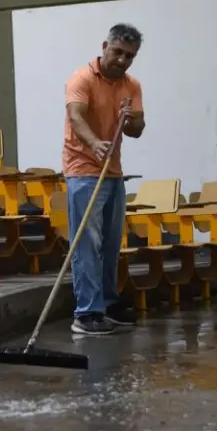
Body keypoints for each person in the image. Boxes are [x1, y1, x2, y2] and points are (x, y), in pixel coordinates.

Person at [62, 23, 146, 336]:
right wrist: (94, 143)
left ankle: (108, 304)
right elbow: (76, 116)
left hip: (113, 171)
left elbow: (136, 130)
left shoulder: (132, 85)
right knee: (87, 242)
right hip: (83, 170)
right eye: (118, 52)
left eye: (130, 56)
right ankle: (86, 313)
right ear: (104, 46)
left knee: (110, 244)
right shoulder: (81, 78)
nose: (123, 60)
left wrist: (133, 118)